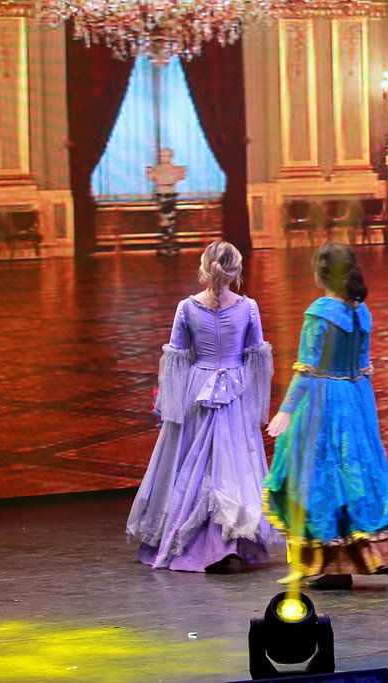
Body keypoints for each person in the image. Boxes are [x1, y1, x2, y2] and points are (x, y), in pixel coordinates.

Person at [264, 243, 388, 589]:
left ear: (322, 274)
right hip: (356, 397)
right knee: (353, 472)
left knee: (318, 476)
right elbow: (363, 366)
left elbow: (306, 369)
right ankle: (357, 561)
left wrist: (286, 410)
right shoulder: (361, 311)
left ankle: (332, 565)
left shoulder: (320, 313)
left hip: (323, 399)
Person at [126, 241, 276, 572]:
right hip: (234, 391)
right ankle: (229, 542)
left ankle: (207, 542)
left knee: (192, 464)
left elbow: (176, 358)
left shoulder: (187, 307)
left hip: (198, 388)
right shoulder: (248, 307)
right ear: (236, 270)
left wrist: (170, 405)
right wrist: (253, 404)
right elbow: (256, 358)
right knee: (232, 464)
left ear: (205, 268)